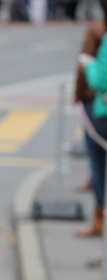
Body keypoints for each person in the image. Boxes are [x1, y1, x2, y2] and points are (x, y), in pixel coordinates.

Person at [77, 1, 107, 237]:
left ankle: (99, 221)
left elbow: (98, 80)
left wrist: (88, 64)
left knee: (99, 167)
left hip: (100, 110)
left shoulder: (97, 31)